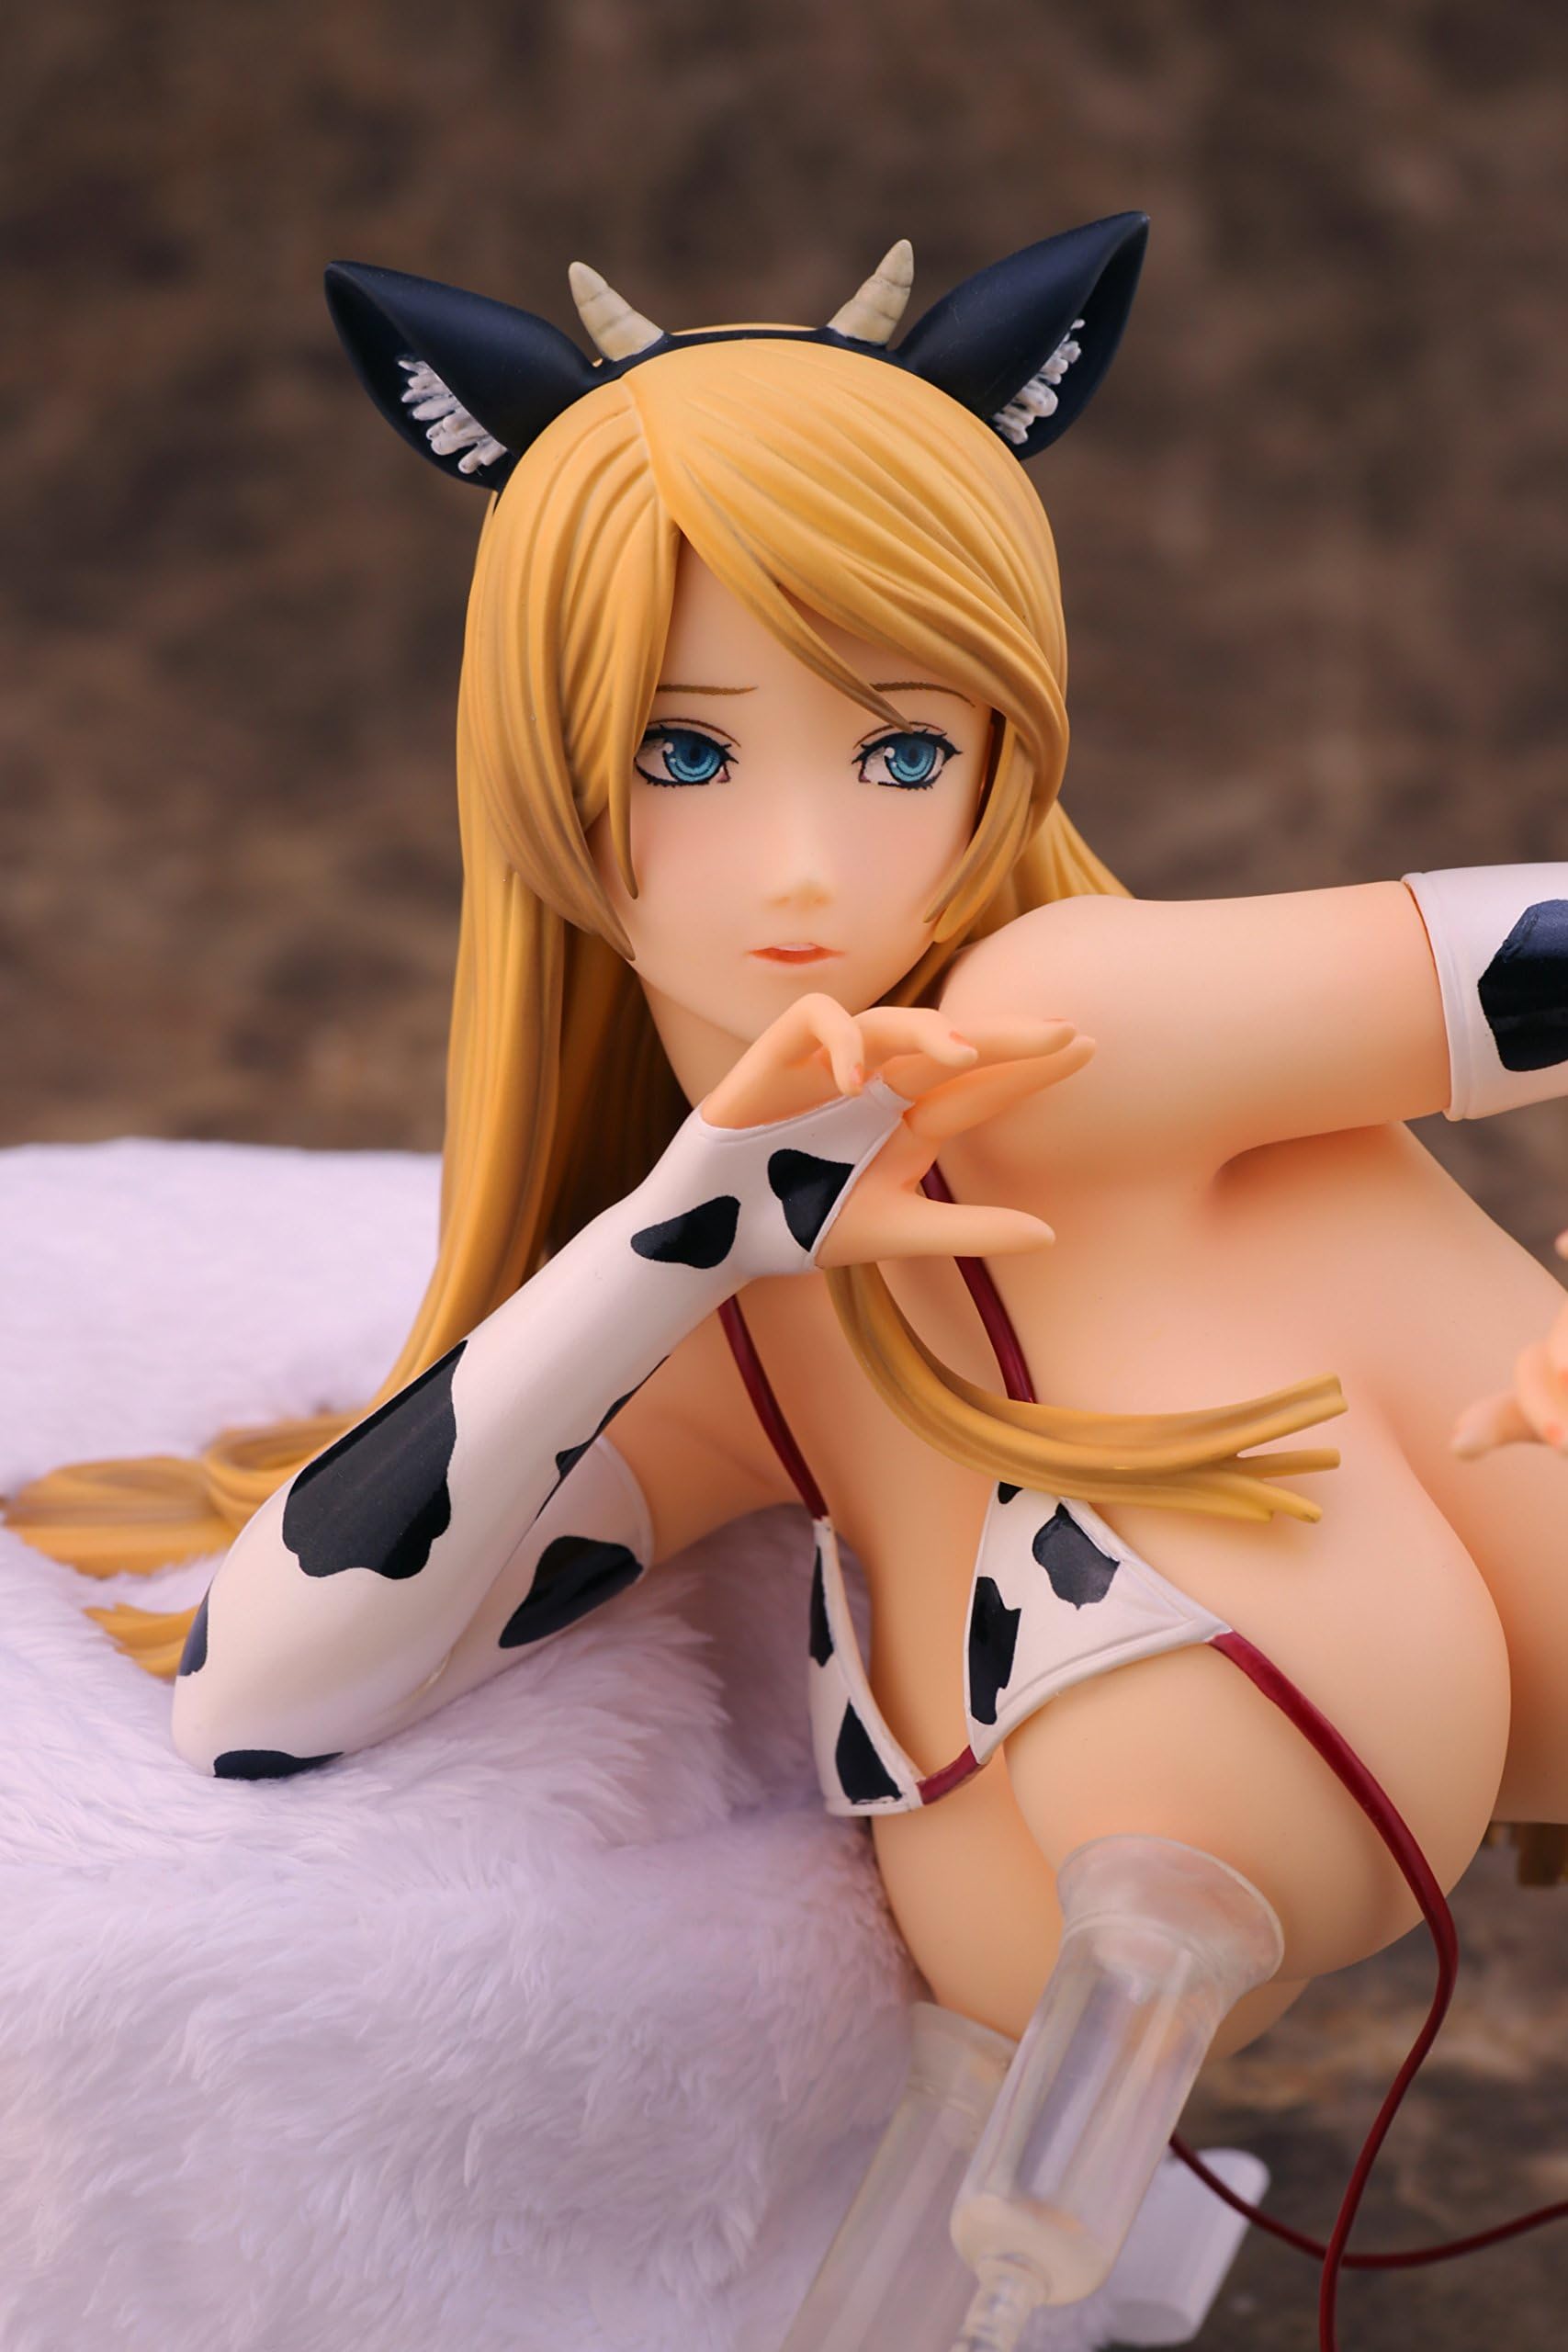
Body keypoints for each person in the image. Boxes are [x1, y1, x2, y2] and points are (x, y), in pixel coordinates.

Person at [8, 213, 1567, 2120]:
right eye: (682, 754)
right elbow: (256, 1699)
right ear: (545, 766)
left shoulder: (1073, 1024)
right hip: (1066, 1987)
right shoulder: (726, 1332)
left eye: (901, 755)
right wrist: (673, 1239)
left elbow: (1521, 962)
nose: (806, 870)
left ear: (1000, 751)